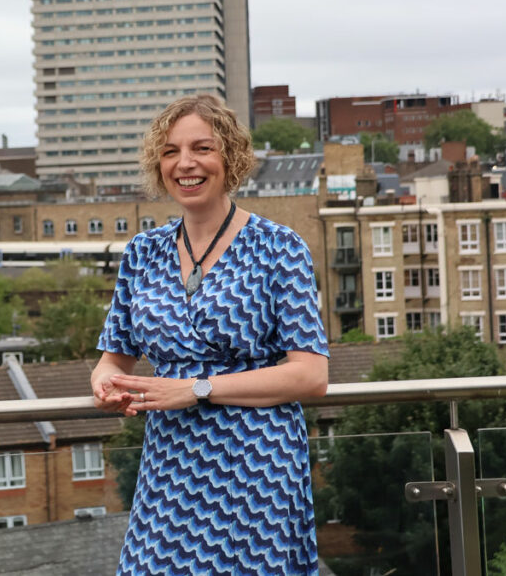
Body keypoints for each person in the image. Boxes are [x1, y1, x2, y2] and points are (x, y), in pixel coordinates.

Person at [91, 94, 329, 575]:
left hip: (254, 466)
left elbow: (310, 376)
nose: (185, 164)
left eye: (202, 148)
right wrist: (106, 383)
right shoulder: (143, 253)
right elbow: (114, 358)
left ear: (232, 158)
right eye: (170, 152)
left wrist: (196, 389)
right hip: (169, 466)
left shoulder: (279, 248)